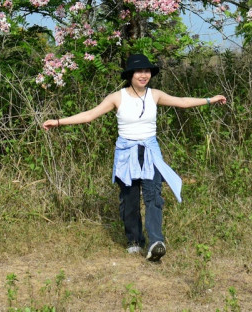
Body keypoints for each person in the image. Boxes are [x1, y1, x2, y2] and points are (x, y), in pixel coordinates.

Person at [42, 53, 227, 261]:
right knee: (129, 199)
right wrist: (57, 122)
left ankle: (156, 241)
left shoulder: (154, 95)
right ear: (130, 74)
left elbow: (182, 102)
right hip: (126, 153)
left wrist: (210, 100)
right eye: (139, 71)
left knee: (153, 197)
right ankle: (134, 241)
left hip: (150, 152)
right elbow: (89, 116)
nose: (143, 75)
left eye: (147, 71)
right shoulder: (116, 97)